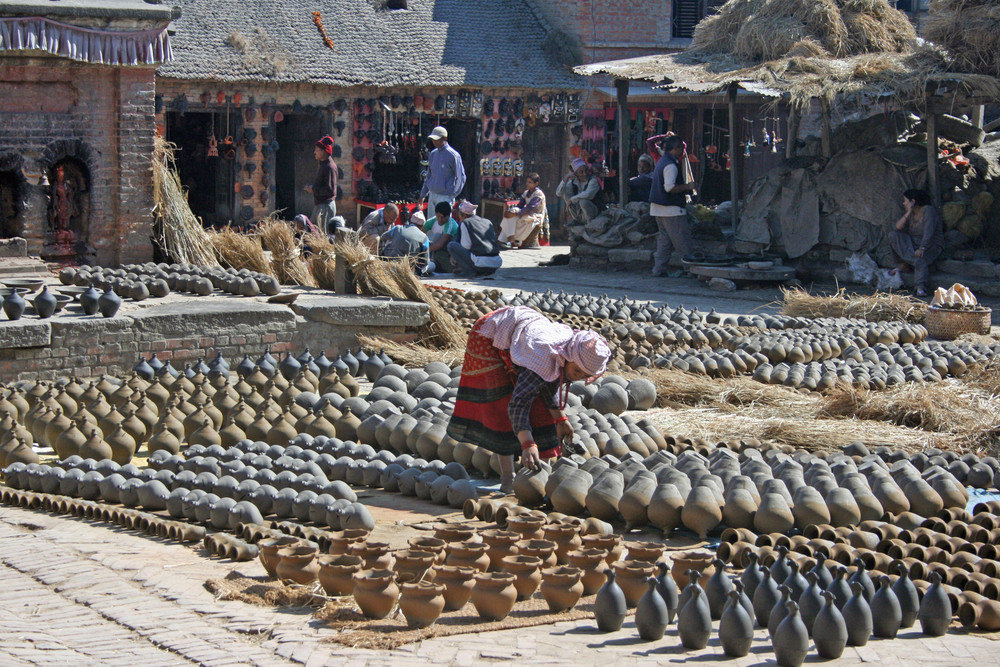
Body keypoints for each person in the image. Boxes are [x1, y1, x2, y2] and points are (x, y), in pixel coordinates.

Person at [447, 305, 611, 493]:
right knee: (501, 403)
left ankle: (538, 476)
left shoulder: (566, 357)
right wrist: (527, 443)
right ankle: (507, 479)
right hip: (491, 332)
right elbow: (518, 403)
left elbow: (548, 386)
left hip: (524, 333)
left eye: (584, 375)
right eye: (577, 371)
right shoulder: (543, 359)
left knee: (541, 409)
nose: (577, 377)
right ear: (568, 356)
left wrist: (560, 418)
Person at [650, 135, 696, 277]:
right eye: (681, 150)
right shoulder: (670, 164)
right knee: (683, 242)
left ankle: (659, 269)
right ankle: (691, 270)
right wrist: (687, 186)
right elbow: (669, 188)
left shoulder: (663, 160)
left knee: (664, 242)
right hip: (671, 209)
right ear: (675, 149)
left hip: (658, 208)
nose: (683, 153)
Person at [889, 188, 943, 297]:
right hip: (913, 243)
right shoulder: (911, 213)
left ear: (913, 201)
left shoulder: (928, 210)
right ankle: (905, 264)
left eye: (906, 201)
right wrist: (908, 212)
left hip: (930, 244)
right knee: (893, 235)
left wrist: (922, 247)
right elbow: (898, 227)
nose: (904, 203)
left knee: (919, 259)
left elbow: (929, 232)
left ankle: (920, 286)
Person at [420, 126, 466, 216]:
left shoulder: (453, 155)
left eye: (437, 139)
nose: (434, 142)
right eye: (433, 139)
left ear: (445, 138)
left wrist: (451, 195)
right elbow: (429, 176)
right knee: (431, 225)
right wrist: (423, 195)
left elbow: (461, 177)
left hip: (445, 196)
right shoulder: (433, 154)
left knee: (443, 226)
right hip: (432, 194)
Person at [448, 200, 502, 277]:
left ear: (464, 216)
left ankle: (469, 271)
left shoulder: (465, 223)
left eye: (459, 215)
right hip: (496, 262)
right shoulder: (487, 221)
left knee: (451, 245)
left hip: (480, 263)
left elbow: (466, 246)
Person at [499, 173, 547, 249]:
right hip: (526, 213)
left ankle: (508, 239)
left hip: (536, 216)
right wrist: (512, 212)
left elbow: (531, 208)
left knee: (515, 215)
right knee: (511, 212)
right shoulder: (526, 193)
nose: (527, 184)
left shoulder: (538, 194)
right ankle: (510, 238)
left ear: (536, 183)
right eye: (527, 181)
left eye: (530, 182)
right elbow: (520, 205)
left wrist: (516, 213)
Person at [304, 136, 338, 234]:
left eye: (317, 150)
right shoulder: (324, 165)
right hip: (320, 205)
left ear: (324, 151)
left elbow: (330, 190)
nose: (315, 152)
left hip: (325, 207)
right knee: (313, 231)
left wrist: (313, 189)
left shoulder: (329, 167)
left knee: (323, 235)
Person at [555, 158, 604, 225]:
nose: (584, 174)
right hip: (580, 214)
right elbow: (559, 193)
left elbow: (588, 194)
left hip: (595, 212)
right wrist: (566, 178)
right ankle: (577, 220)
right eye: (581, 172)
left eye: (585, 170)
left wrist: (572, 200)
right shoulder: (573, 183)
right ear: (576, 174)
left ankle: (590, 223)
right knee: (566, 193)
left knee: (583, 201)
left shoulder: (593, 180)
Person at [423, 201, 459, 274]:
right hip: (436, 248)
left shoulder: (451, 225)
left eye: (443, 217)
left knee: (438, 244)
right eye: (438, 216)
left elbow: (440, 244)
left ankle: (452, 269)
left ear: (448, 216)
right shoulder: (432, 221)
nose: (440, 219)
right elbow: (420, 233)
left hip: (450, 252)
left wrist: (423, 251)